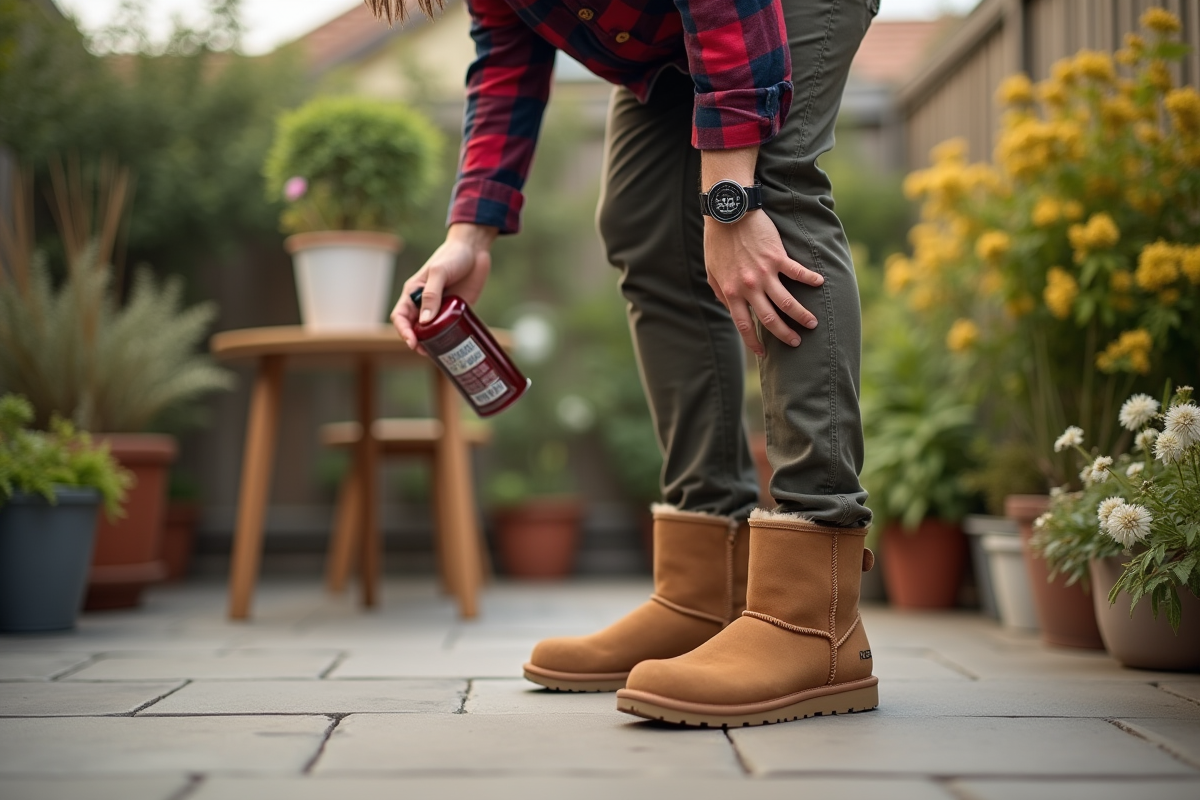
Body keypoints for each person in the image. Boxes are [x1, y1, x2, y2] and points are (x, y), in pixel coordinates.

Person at [375, 0, 880, 727]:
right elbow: (508, 58)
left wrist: (732, 201)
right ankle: (706, 592)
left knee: (773, 189)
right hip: (674, 36)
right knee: (644, 222)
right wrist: (468, 235)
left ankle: (813, 617)